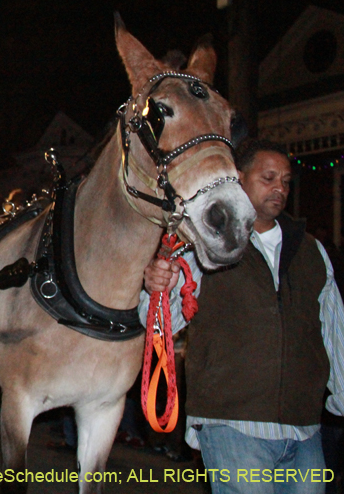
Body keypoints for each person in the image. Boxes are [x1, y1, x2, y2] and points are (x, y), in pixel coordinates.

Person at [141, 139, 344, 494]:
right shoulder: (206, 242)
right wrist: (158, 288)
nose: (279, 188)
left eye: (285, 181)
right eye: (268, 178)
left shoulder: (311, 250)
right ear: (238, 176)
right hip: (232, 423)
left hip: (305, 425)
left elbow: (333, 326)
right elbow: (158, 323)